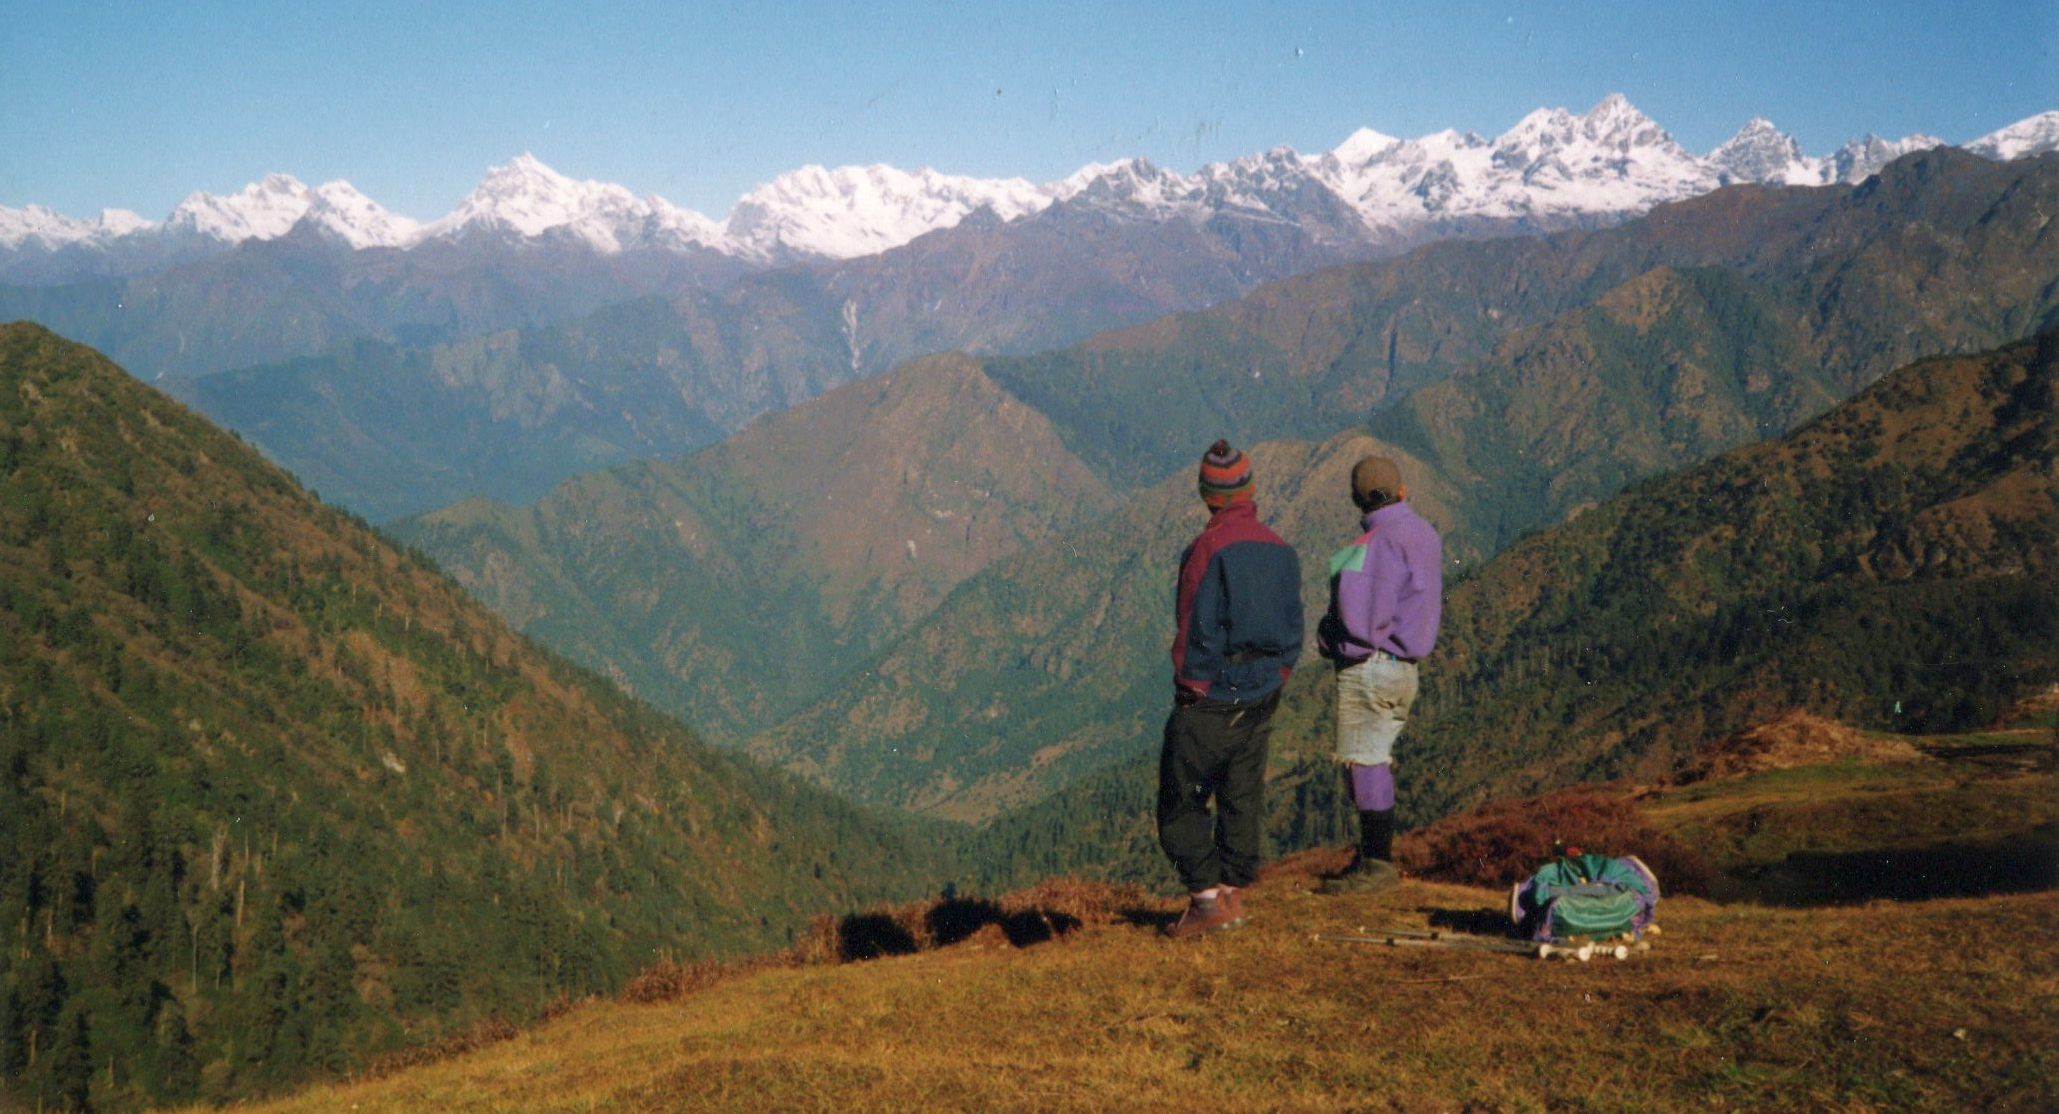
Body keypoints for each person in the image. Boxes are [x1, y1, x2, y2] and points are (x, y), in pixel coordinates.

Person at [1159, 440, 1304, 938]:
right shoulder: (1281, 550)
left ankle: (1204, 902)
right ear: (1251, 490)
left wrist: (1190, 687)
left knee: (1182, 798)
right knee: (1241, 793)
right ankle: (1232, 894)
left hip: (1215, 693)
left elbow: (1196, 624)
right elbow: (1293, 626)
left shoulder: (1207, 549)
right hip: (1264, 691)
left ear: (1206, 495)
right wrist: (1279, 674)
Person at [1316, 455, 1443, 894]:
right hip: (1406, 669)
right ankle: (1375, 858)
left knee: (1364, 763)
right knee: (1376, 761)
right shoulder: (1425, 533)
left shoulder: (1368, 547)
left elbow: (1360, 624)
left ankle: (1376, 864)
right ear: (1402, 491)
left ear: (1357, 499)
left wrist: (1330, 642)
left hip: (1370, 668)